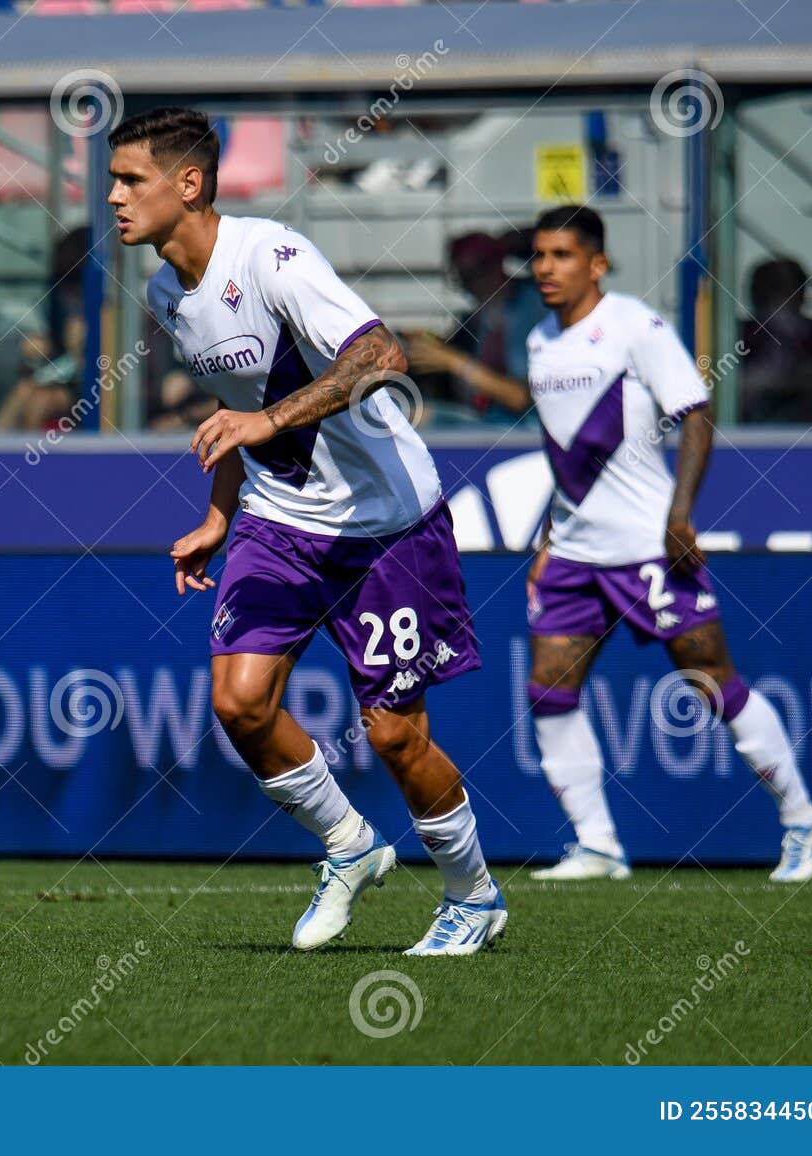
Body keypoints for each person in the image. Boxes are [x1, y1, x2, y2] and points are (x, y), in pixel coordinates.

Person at [108, 107, 505, 955]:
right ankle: (350, 844)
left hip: (385, 527)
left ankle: (474, 897)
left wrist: (266, 423)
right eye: (111, 179)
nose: (112, 197)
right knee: (239, 703)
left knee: (396, 735)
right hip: (279, 521)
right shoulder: (164, 292)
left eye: (129, 179)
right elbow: (236, 410)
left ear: (188, 184)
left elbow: (380, 354)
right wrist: (220, 513)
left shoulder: (272, 256)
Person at [522, 205, 812, 884]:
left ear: (597, 263)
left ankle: (803, 819)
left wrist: (680, 516)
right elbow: (564, 454)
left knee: (710, 679)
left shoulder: (634, 325)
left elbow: (694, 415)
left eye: (562, 255)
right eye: (539, 254)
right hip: (575, 554)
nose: (545, 267)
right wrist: (548, 539)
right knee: (549, 689)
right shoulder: (540, 340)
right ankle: (597, 845)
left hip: (647, 546)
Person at [405, 231, 542, 418]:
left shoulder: (531, 307)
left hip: (525, 429)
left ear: (497, 265)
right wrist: (436, 347)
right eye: (462, 279)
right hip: (486, 420)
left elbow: (520, 397)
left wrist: (452, 361)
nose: (468, 288)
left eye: (472, 275)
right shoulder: (481, 314)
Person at [737, 256, 812, 423]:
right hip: (749, 426)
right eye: (770, 288)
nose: (775, 298)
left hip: (807, 426)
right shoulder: (739, 334)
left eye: (783, 289)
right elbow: (727, 384)